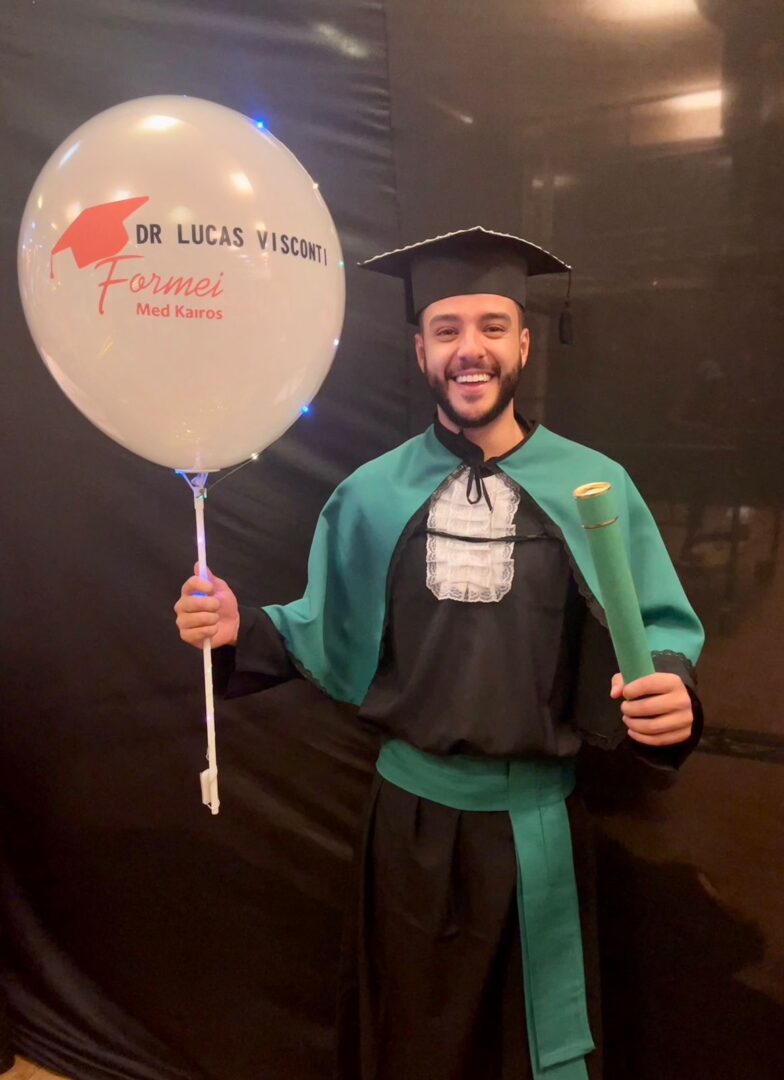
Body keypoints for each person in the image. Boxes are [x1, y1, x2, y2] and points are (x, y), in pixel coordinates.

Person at [174, 227, 704, 1080]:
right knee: (414, 1049)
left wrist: (672, 695)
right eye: (447, 328)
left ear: (524, 344)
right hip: (410, 835)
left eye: (493, 326)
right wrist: (242, 629)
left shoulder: (594, 486)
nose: (471, 350)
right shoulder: (369, 496)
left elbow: (660, 638)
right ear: (420, 350)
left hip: (539, 832)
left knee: (530, 1056)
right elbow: (319, 630)